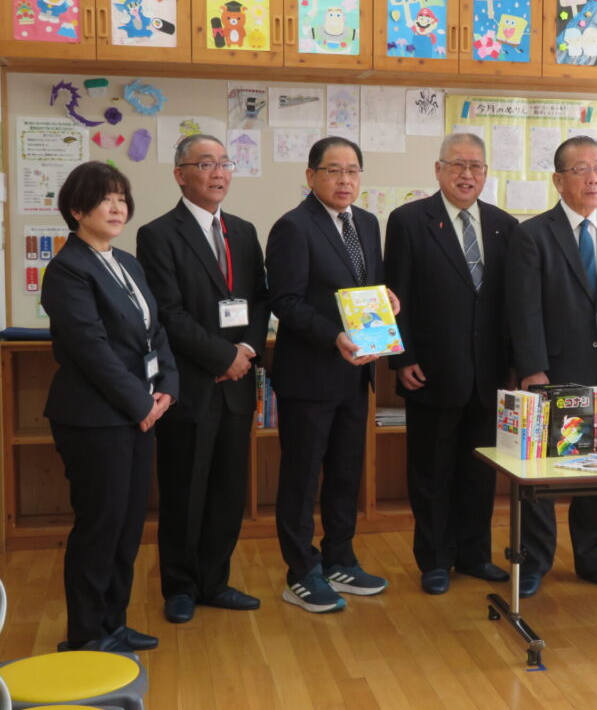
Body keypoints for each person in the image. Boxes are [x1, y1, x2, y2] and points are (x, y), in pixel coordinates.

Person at [506, 135, 597, 598]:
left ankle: (591, 557)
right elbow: (523, 308)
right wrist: (533, 367)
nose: (593, 178)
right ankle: (535, 560)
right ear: (558, 180)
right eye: (581, 169)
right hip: (552, 371)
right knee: (543, 470)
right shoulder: (532, 234)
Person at [43, 161, 178, 651]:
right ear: (78, 210)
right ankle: (85, 636)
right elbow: (90, 348)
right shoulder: (67, 269)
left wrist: (167, 386)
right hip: (94, 419)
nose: (117, 207)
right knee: (100, 527)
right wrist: (140, 403)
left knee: (127, 525)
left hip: (138, 413)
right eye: (105, 198)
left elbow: (154, 331)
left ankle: (113, 623)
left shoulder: (126, 262)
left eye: (122, 197)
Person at [137, 134, 270, 624]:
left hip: (237, 384)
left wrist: (247, 351)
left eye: (224, 163)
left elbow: (260, 298)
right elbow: (168, 313)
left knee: (228, 490)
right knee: (184, 490)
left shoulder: (244, 231)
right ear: (180, 174)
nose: (218, 173)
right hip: (191, 384)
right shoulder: (158, 234)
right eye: (206, 164)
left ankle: (215, 581)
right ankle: (179, 586)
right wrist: (221, 357)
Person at [266, 136, 397, 613]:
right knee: (302, 477)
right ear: (311, 176)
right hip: (310, 374)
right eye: (334, 171)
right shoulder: (293, 226)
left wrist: (387, 300)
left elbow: (366, 288)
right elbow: (286, 301)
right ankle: (301, 571)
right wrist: (333, 337)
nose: (345, 180)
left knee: (346, 472)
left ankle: (340, 558)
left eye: (353, 171)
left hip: (355, 373)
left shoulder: (367, 222)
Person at [384, 133, 518, 595]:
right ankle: (435, 560)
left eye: (476, 166)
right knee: (432, 471)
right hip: (432, 370)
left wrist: (514, 366)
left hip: (489, 374)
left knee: (479, 471)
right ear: (438, 170)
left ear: (486, 173)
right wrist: (402, 358)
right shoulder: (409, 221)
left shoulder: (504, 225)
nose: (467, 174)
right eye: (457, 165)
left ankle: (475, 554)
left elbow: (509, 304)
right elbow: (395, 295)